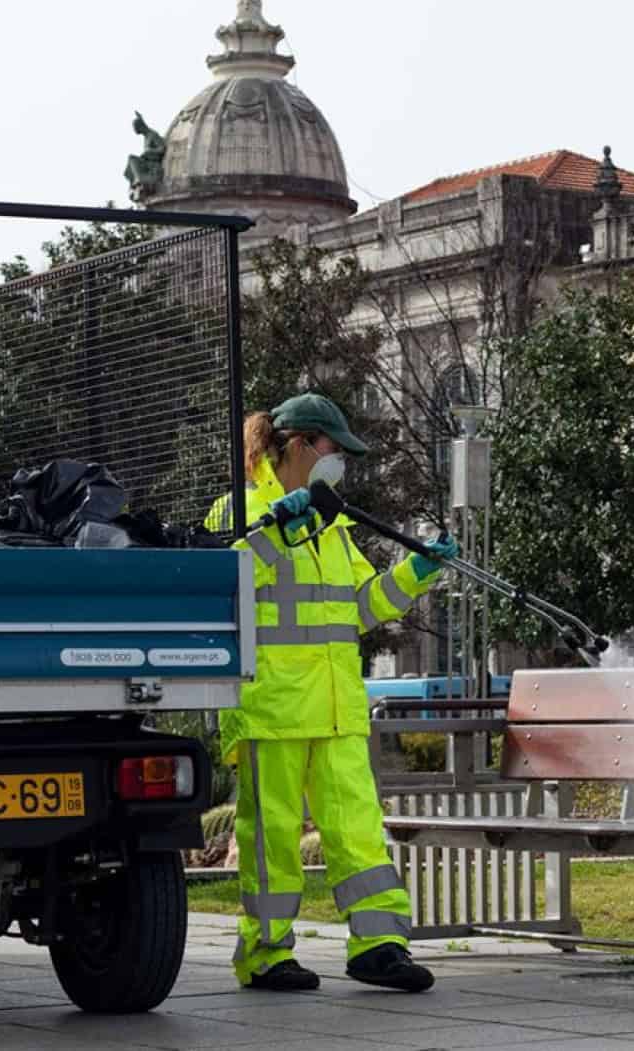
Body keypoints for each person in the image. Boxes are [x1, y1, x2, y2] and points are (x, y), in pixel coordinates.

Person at [208, 392, 458, 993]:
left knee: (358, 831)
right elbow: (221, 583)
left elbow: (359, 609)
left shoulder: (334, 525)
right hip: (272, 707)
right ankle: (265, 954)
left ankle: (379, 945)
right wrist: (280, 533)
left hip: (339, 703)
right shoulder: (237, 509)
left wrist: (413, 575)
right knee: (271, 840)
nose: (340, 463)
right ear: (299, 446)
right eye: (333, 450)